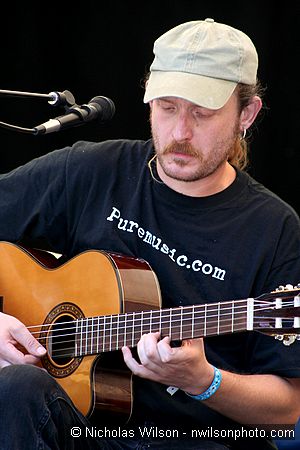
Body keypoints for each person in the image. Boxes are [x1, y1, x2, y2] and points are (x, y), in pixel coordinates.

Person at [0, 17, 299, 450]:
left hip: (196, 440)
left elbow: (288, 410)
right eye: (168, 106)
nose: (180, 132)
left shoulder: (275, 229)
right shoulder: (92, 171)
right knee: (19, 388)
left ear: (246, 115)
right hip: (79, 430)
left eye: (203, 113)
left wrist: (203, 381)